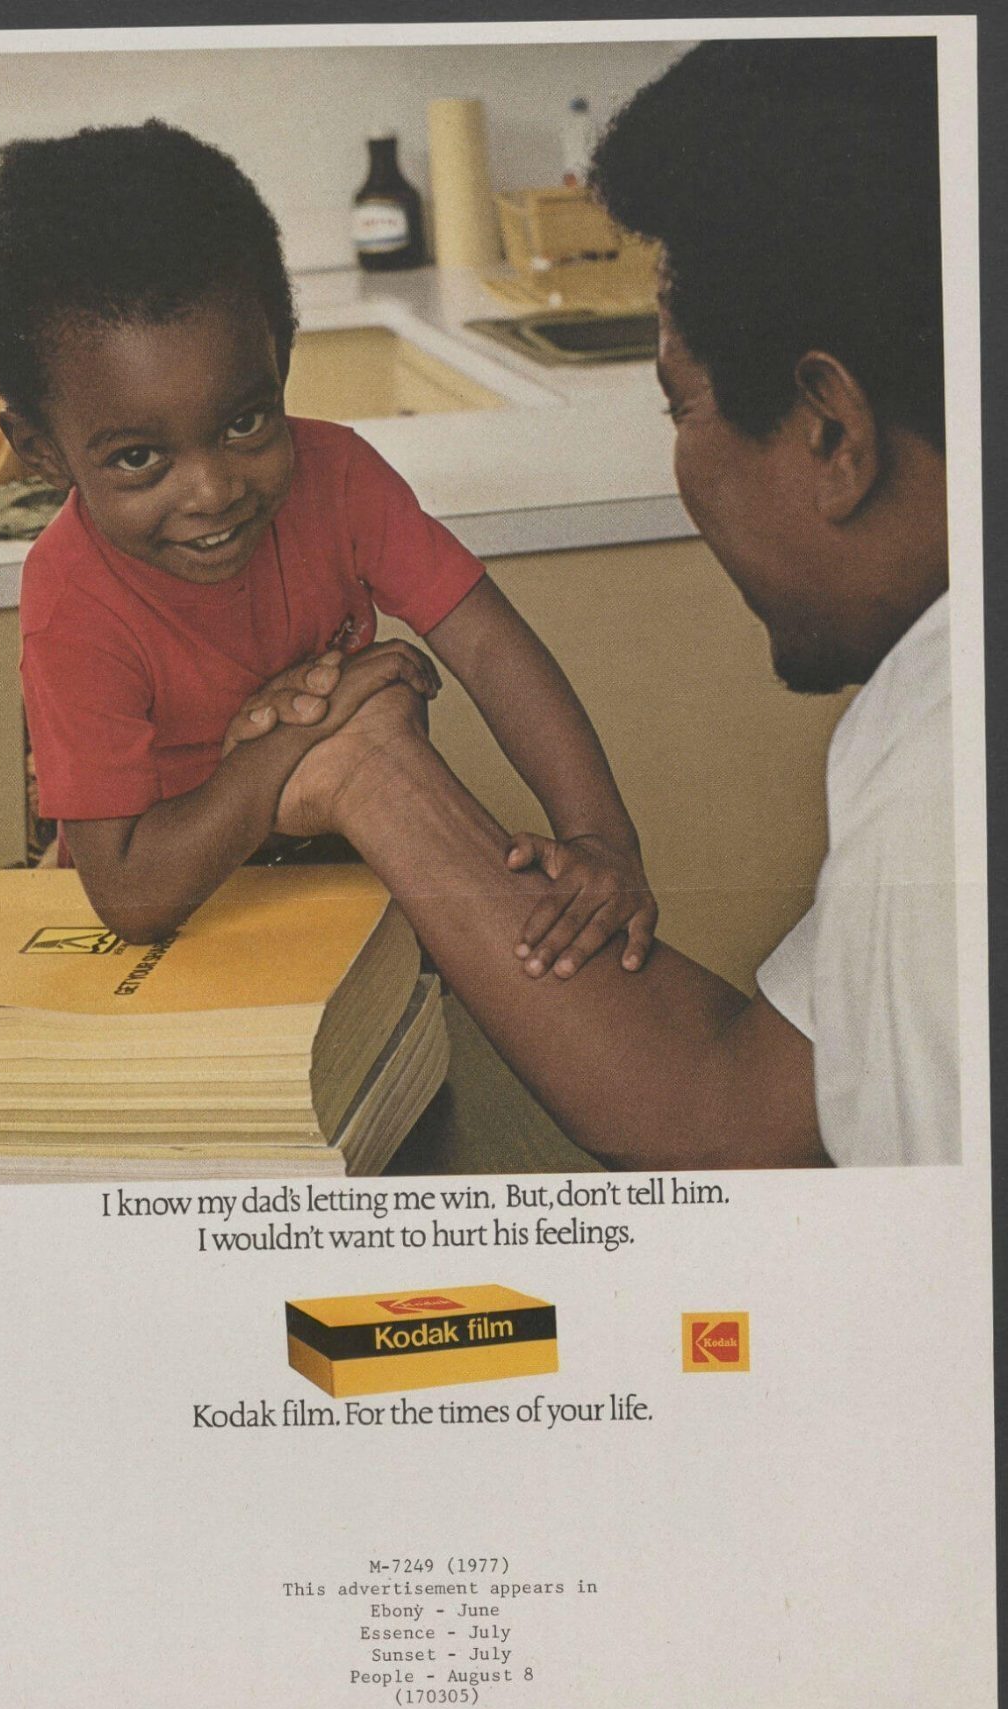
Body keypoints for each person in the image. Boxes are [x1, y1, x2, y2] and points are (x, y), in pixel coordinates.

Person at [265, 35, 958, 1170]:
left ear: (833, 432)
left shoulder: (943, 777)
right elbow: (731, 1116)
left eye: (679, 406)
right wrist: (371, 773)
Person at [0, 120, 656, 973]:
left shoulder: (339, 475)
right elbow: (132, 895)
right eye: (139, 458)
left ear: (281, 358)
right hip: (175, 938)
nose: (212, 490)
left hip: (341, 878)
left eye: (245, 421)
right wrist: (298, 738)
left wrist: (601, 837)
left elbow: (487, 641)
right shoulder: (69, 597)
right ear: (44, 453)